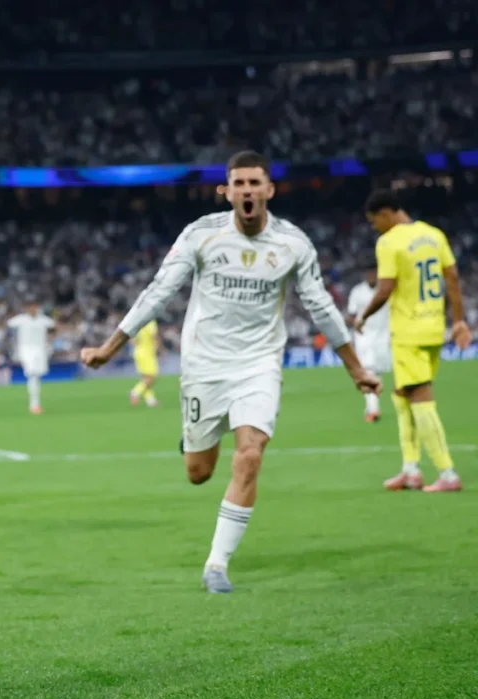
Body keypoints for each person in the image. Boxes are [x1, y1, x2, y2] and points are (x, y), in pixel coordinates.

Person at [80, 151, 380, 594]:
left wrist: (356, 370)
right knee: (198, 472)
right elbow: (159, 292)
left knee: (251, 453)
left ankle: (217, 564)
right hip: (204, 364)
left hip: (259, 363)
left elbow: (322, 309)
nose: (246, 191)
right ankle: (195, 439)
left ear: (269, 190)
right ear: (228, 191)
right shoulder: (201, 235)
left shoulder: (293, 244)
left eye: (254, 183)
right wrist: (110, 347)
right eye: (238, 183)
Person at [356, 190, 472, 492]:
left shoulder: (389, 241)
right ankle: (410, 470)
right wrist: (458, 320)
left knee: (421, 400)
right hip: (435, 328)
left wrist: (363, 316)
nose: (374, 228)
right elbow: (453, 277)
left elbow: (384, 289)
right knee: (401, 395)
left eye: (373, 221)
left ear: (385, 213)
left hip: (408, 332)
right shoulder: (433, 235)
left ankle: (447, 474)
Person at [346, 264, 391, 423]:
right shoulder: (357, 292)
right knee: (369, 371)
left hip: (384, 337)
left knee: (380, 371)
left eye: (373, 273)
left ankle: (373, 405)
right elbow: (350, 314)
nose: (371, 276)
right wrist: (356, 323)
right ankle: (373, 408)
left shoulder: (385, 290)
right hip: (364, 338)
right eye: (368, 273)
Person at [6, 303, 56, 414]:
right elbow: (8, 324)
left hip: (40, 350)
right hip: (26, 350)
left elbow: (54, 326)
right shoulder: (21, 319)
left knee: (36, 376)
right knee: (32, 374)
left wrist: (50, 339)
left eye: (35, 307)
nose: (33, 309)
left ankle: (35, 404)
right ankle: (34, 405)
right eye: (31, 307)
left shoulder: (43, 320)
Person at [129, 319, 160, 407]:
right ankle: (135, 392)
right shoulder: (150, 322)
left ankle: (150, 400)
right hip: (147, 353)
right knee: (152, 376)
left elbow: (132, 339)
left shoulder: (137, 322)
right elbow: (154, 336)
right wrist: (158, 348)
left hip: (138, 352)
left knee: (146, 377)